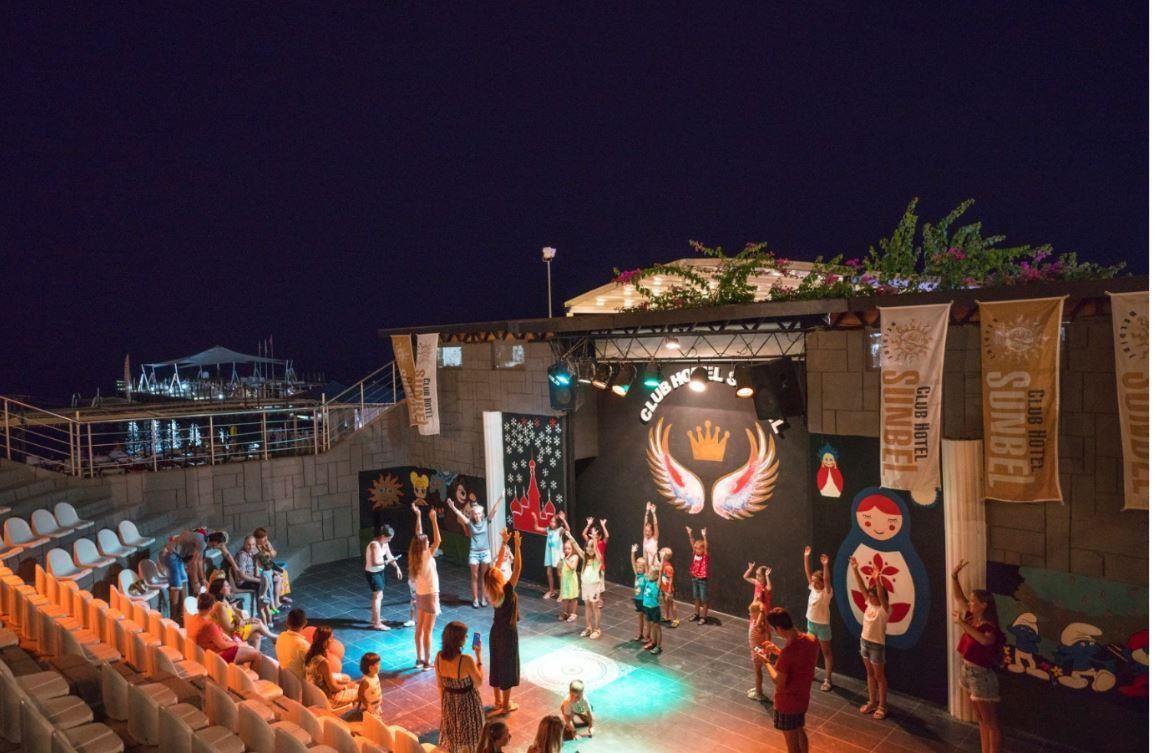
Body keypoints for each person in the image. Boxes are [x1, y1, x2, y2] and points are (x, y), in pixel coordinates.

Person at [951, 559, 1003, 753]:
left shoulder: (989, 626)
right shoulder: (972, 618)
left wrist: (962, 624)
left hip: (981, 675)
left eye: (973, 601)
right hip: (967, 670)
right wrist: (954, 577)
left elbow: (984, 641)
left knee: (991, 722)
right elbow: (959, 598)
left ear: (983, 605)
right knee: (980, 719)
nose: (970, 603)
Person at [760, 607, 820, 753]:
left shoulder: (788, 653)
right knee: (800, 730)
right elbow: (799, 661)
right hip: (802, 698)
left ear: (779, 628)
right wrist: (777, 651)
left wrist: (766, 662)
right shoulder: (811, 640)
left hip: (787, 703)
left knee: (792, 746)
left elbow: (779, 681)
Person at [483, 529, 523, 715]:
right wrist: (517, 546)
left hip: (495, 631)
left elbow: (496, 567)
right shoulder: (506, 589)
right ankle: (506, 704)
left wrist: (504, 543)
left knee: (497, 664)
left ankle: (498, 701)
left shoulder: (491, 590)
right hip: (508, 632)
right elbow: (518, 568)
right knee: (508, 666)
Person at [435, 621, 486, 753]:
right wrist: (479, 657)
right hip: (467, 704)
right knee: (471, 737)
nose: (467, 637)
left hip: (449, 702)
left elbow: (440, 685)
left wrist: (444, 707)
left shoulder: (438, 657)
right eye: (465, 635)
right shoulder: (466, 660)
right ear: (458, 640)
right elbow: (479, 682)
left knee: (454, 736)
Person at [446, 495, 504, 608]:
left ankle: (483, 598)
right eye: (475, 514)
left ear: (482, 514)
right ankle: (475, 599)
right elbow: (460, 515)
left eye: (479, 514)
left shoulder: (486, 521)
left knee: (484, 576)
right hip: (474, 553)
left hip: (485, 552)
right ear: (473, 514)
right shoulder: (470, 523)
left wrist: (500, 498)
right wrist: (453, 507)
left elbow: (494, 510)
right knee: (474, 576)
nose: (477, 516)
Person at [850, 556, 890, 719]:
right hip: (864, 642)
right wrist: (855, 569)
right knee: (869, 674)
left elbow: (881, 596)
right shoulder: (869, 603)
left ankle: (882, 706)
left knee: (879, 676)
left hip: (876, 646)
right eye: (871, 595)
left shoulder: (884, 609)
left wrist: (877, 580)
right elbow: (861, 587)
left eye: (874, 596)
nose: (871, 597)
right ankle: (872, 702)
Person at [191, 592, 263, 672]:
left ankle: (244, 674)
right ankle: (253, 678)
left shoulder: (194, 618)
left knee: (246, 645)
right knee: (257, 654)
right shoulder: (209, 625)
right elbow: (222, 645)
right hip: (218, 656)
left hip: (209, 653)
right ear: (210, 607)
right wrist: (236, 643)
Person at [410, 502, 443, 668]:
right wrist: (434, 520)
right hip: (430, 595)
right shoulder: (426, 554)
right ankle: (427, 662)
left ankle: (419, 659)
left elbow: (418, 534)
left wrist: (418, 515)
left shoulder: (414, 554)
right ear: (424, 545)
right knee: (427, 631)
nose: (429, 542)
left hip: (420, 594)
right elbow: (438, 540)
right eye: (427, 541)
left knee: (419, 629)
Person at [208, 578, 276, 648]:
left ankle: (256, 654)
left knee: (257, 636)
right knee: (258, 623)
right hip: (231, 634)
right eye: (227, 586)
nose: (230, 587)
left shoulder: (224, 601)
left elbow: (234, 615)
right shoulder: (219, 606)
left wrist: (245, 619)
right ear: (220, 590)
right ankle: (273, 638)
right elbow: (229, 627)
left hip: (236, 629)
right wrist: (246, 622)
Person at [305, 625, 359, 711]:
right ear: (325, 641)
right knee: (361, 690)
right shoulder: (323, 662)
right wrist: (347, 686)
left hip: (317, 692)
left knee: (347, 679)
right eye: (331, 638)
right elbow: (333, 688)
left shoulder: (310, 654)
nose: (333, 641)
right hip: (329, 698)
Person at [803, 546, 835, 691]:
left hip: (822, 626)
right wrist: (806, 557)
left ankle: (827, 679)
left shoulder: (826, 592)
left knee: (826, 652)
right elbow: (807, 572)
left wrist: (825, 565)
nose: (813, 583)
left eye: (816, 581)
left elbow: (827, 579)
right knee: (811, 650)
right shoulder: (813, 588)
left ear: (822, 582)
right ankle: (811, 673)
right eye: (813, 581)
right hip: (811, 623)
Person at [365, 524, 404, 630]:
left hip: (380, 571)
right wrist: (386, 561)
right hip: (372, 573)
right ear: (382, 536)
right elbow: (374, 562)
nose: (389, 541)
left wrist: (397, 567)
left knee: (379, 595)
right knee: (377, 596)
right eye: (388, 538)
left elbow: (390, 556)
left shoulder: (385, 544)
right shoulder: (374, 545)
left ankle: (375, 618)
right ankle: (377, 623)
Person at [235, 535, 271, 624]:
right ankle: (261, 610)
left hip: (251, 578)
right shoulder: (242, 555)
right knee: (261, 585)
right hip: (243, 582)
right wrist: (257, 580)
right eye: (248, 544)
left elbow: (263, 563)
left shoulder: (253, 551)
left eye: (253, 544)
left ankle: (268, 608)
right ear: (244, 544)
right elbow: (242, 576)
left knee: (268, 579)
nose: (251, 547)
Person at [254, 527, 292, 608]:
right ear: (257, 539)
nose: (265, 539)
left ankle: (281, 596)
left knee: (284, 572)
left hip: (269, 565)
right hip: (262, 568)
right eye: (263, 538)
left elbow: (274, 554)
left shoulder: (266, 543)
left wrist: (270, 550)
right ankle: (277, 601)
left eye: (266, 537)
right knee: (279, 576)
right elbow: (260, 563)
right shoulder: (255, 547)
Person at [533, 512, 566, 599]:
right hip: (549, 555)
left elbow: (568, 529)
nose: (552, 523)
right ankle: (551, 591)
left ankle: (562, 593)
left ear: (558, 523)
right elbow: (536, 528)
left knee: (559, 574)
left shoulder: (560, 530)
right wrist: (535, 518)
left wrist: (563, 520)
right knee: (549, 573)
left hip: (558, 555)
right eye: (551, 521)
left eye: (554, 522)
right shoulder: (548, 529)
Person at [578, 536, 605, 639]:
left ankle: (597, 629)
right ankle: (588, 627)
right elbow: (576, 546)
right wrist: (569, 535)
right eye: (588, 546)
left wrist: (594, 540)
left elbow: (598, 554)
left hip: (594, 586)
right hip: (585, 585)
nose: (589, 549)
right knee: (587, 605)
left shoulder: (597, 559)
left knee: (595, 606)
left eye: (592, 546)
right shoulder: (585, 558)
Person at [160, 536, 189, 623]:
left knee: (183, 582)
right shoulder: (168, 554)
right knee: (176, 586)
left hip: (178, 567)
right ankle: (174, 616)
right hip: (174, 571)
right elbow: (164, 564)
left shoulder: (177, 551)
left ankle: (183, 613)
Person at [276, 608, 311, 680]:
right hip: (300, 682)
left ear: (287, 622)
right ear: (305, 623)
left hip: (283, 677)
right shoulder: (304, 646)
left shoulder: (281, 636)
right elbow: (311, 668)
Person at [747, 600, 772, 700]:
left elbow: (759, 623)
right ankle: (758, 688)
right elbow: (769, 635)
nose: (749, 614)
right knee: (757, 671)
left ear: (758, 614)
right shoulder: (760, 623)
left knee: (758, 672)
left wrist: (761, 611)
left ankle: (758, 693)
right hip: (757, 651)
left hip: (758, 653)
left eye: (751, 612)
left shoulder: (759, 626)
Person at [686, 526, 710, 624]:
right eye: (695, 549)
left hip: (702, 580)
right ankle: (696, 614)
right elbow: (692, 543)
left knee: (704, 599)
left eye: (699, 549)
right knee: (696, 597)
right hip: (694, 579)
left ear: (703, 549)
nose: (696, 550)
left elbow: (706, 546)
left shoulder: (705, 557)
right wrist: (690, 534)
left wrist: (704, 536)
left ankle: (704, 617)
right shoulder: (695, 554)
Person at [556, 530, 581, 622]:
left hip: (572, 580)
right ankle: (565, 613)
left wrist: (565, 560)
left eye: (569, 549)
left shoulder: (575, 557)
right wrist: (561, 561)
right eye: (565, 548)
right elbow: (559, 567)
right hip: (565, 580)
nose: (566, 550)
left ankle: (573, 613)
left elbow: (572, 567)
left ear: (573, 549)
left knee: (573, 597)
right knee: (565, 597)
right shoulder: (564, 557)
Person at [641, 564, 663, 654]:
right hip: (647, 608)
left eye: (651, 574)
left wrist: (662, 560)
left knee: (657, 627)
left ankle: (658, 646)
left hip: (654, 609)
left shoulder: (657, 584)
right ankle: (653, 642)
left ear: (656, 576)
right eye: (649, 573)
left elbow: (660, 572)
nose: (648, 574)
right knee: (652, 626)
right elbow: (646, 566)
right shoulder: (648, 581)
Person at [357, 652, 382, 718]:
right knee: (372, 722)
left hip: (376, 705)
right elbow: (360, 695)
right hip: (368, 708)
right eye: (378, 664)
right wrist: (368, 705)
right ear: (371, 668)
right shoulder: (366, 681)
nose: (380, 666)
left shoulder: (375, 675)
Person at [630, 545, 647, 641]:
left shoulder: (646, 576)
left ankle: (648, 636)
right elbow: (633, 563)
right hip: (638, 600)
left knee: (647, 619)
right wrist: (633, 552)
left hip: (645, 601)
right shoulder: (637, 575)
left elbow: (648, 566)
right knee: (640, 617)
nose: (638, 569)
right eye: (638, 567)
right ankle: (640, 634)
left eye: (641, 567)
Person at [659, 547, 678, 627]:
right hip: (663, 588)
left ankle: (676, 619)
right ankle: (667, 616)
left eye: (661, 552)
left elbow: (670, 579)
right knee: (665, 602)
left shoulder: (668, 567)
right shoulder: (662, 564)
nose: (659, 553)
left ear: (665, 556)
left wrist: (669, 589)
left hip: (668, 589)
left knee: (671, 603)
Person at [642, 502, 659, 569]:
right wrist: (647, 511)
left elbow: (655, 524)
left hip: (654, 566)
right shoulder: (645, 537)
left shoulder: (655, 538)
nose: (647, 533)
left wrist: (653, 513)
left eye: (649, 531)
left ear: (652, 532)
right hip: (646, 566)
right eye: (646, 531)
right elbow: (645, 523)